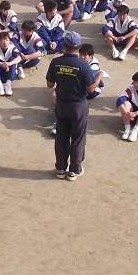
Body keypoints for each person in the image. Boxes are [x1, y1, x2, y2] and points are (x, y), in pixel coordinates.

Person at [47, 32, 99, 180]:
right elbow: (90, 89)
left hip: (61, 104)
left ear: (64, 45)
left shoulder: (55, 62)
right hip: (78, 105)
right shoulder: (83, 65)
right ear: (79, 46)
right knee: (78, 138)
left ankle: (61, 168)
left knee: (61, 137)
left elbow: (50, 84)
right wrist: (99, 77)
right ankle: (74, 170)